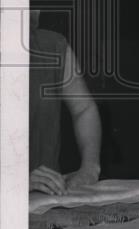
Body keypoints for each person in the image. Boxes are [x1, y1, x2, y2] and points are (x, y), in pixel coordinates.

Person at [29, 11, 102, 195]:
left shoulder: (53, 46)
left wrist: (90, 167)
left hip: (47, 199)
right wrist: (14, 181)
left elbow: (84, 109)